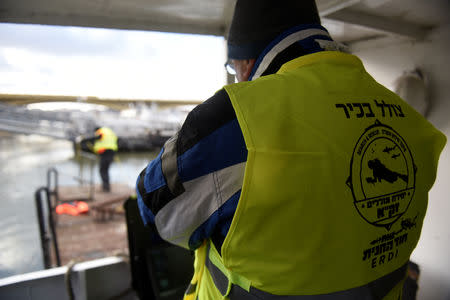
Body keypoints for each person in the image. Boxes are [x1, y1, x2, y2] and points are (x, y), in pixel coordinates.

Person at [135, 1, 447, 299]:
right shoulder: (410, 120)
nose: (237, 75)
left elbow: (156, 210)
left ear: (245, 60)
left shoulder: (233, 119)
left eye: (233, 67)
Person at [84, 126, 118, 192]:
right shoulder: (109, 131)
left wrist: (85, 140)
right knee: (105, 169)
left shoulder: (101, 131)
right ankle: (106, 186)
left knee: (102, 170)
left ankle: (105, 187)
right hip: (111, 152)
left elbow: (98, 137)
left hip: (105, 152)